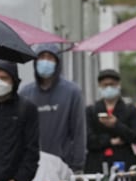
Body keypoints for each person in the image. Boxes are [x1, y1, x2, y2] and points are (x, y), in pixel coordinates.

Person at [19, 43, 86, 173]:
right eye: (41, 57)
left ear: (57, 63)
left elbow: (78, 131)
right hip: (31, 167)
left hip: (63, 165)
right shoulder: (25, 93)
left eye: (50, 58)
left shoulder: (72, 92)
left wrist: (77, 165)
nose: (45, 62)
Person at [85, 68, 136, 174]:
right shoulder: (91, 111)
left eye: (112, 84)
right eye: (105, 85)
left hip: (124, 163)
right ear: (99, 86)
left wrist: (116, 125)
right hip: (97, 164)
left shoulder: (130, 110)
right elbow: (88, 139)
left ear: (118, 85)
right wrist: (110, 141)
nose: (108, 88)